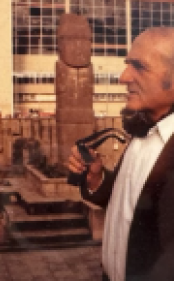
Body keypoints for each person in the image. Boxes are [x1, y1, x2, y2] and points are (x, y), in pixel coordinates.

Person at [68, 27, 174, 281]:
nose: (124, 77)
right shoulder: (145, 130)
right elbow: (131, 206)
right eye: (128, 65)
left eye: (139, 67)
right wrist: (97, 179)